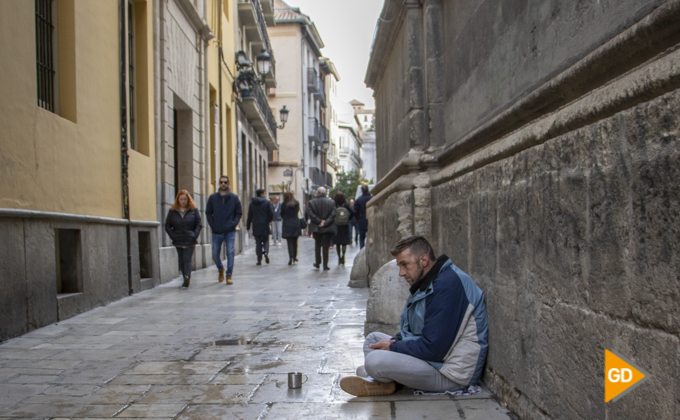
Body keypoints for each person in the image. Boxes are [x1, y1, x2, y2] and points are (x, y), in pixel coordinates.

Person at [340, 236, 488, 397]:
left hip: (452, 374)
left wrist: (393, 346)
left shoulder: (447, 286)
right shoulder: (430, 281)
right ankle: (382, 380)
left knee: (375, 361)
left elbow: (434, 349)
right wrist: (395, 341)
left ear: (423, 260)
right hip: (436, 361)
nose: (401, 273)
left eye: (405, 265)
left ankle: (380, 378)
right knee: (373, 340)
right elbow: (417, 332)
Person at [206, 175, 242, 285]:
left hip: (230, 231)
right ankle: (220, 268)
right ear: (218, 184)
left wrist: (233, 224)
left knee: (230, 252)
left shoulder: (234, 198)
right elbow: (208, 212)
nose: (223, 184)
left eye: (225, 182)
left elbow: (239, 213)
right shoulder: (212, 198)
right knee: (215, 254)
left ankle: (229, 274)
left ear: (228, 183)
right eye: (221, 182)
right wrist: (213, 225)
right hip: (217, 231)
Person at [164, 190, 202, 288]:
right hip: (178, 239)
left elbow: (199, 224)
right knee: (181, 260)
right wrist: (173, 236)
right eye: (181, 199)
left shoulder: (193, 210)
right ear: (178, 200)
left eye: (185, 199)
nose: (183, 201)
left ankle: (187, 277)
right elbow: (167, 225)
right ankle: (184, 276)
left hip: (190, 239)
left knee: (187, 258)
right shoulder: (173, 211)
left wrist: (194, 235)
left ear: (188, 200)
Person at [307, 187, 337, 270]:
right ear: (325, 193)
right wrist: (325, 222)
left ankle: (317, 262)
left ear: (317, 193)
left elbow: (310, 213)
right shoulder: (331, 202)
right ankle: (325, 264)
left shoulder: (312, 202)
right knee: (325, 246)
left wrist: (318, 221)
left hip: (316, 227)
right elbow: (333, 214)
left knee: (317, 245)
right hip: (327, 227)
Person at [246, 189, 273, 265]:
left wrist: (248, 226)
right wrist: (269, 220)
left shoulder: (252, 204)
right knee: (265, 240)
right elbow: (271, 213)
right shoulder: (267, 203)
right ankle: (266, 251)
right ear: (262, 194)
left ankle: (259, 259)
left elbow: (249, 216)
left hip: (256, 225)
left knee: (258, 242)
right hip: (265, 224)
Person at [332, 191, 354, 265]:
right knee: (344, 242)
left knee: (338, 243)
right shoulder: (346, 205)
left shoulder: (334, 205)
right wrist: (348, 218)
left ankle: (339, 258)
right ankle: (343, 256)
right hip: (345, 225)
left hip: (337, 225)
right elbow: (353, 212)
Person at [281, 191, 301, 265]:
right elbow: (297, 211)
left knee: (289, 242)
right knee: (295, 241)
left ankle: (291, 257)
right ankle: (295, 256)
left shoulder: (283, 204)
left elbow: (281, 214)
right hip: (295, 223)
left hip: (287, 224)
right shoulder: (296, 203)